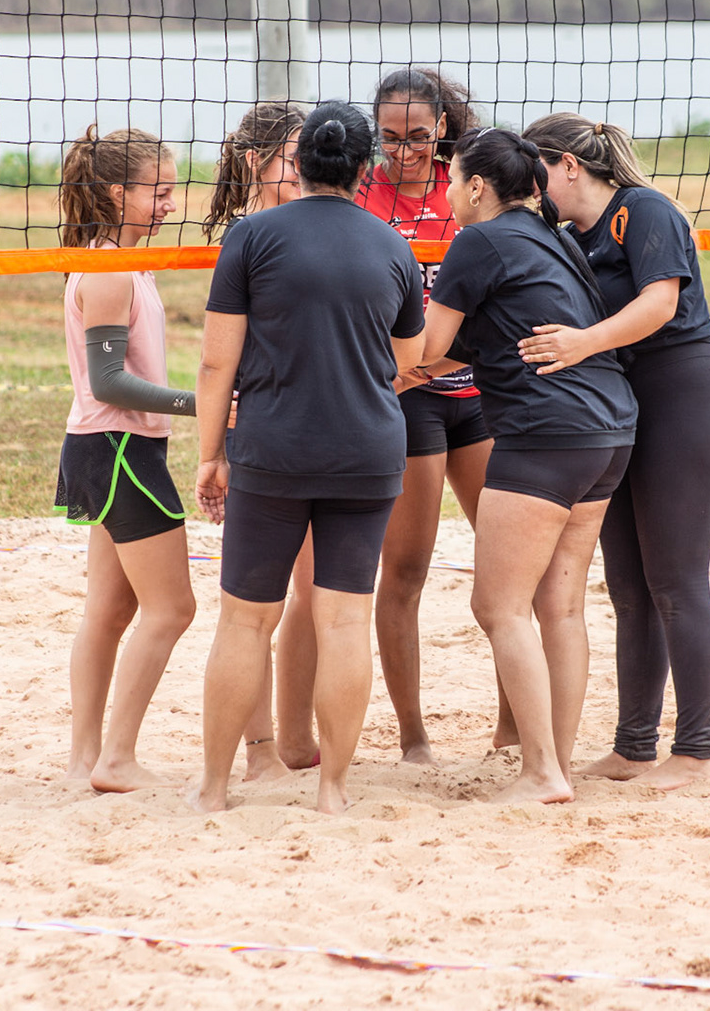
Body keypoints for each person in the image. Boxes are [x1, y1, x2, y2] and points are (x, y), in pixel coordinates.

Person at [188, 101, 425, 815]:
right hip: (367, 452)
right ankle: (333, 791)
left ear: (301, 162)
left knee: (244, 622)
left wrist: (210, 454)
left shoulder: (251, 237)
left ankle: (214, 789)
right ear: (364, 167)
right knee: (344, 621)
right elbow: (407, 359)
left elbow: (215, 363)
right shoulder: (394, 246)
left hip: (273, 448)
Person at [418, 126, 638, 804]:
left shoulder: (477, 240)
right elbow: (479, 345)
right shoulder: (552, 236)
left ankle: (540, 773)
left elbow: (425, 348)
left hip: (547, 434)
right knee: (559, 606)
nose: (447, 191)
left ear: (477, 187)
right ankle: (555, 768)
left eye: (451, 179)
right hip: (610, 429)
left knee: (499, 606)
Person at [518, 113, 710, 791]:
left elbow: (660, 304)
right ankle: (634, 746)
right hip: (615, 412)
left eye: (536, 171)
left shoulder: (642, 211)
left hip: (680, 399)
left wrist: (582, 343)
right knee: (630, 587)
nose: (530, 187)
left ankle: (695, 751)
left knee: (676, 580)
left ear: (568, 164)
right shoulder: (563, 235)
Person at [358, 67, 496, 764]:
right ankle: (413, 738)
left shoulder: (469, 187)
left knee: (506, 569)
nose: (403, 151)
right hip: (405, 400)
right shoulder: (363, 194)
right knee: (405, 572)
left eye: (416, 136)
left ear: (442, 126)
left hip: (476, 395)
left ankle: (511, 729)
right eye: (389, 137)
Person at [54, 126, 198, 793]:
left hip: (107, 446)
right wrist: (203, 404)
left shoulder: (122, 261)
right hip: (117, 448)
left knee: (109, 614)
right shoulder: (109, 267)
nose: (169, 204)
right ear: (118, 193)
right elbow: (109, 383)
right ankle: (114, 759)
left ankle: (86, 760)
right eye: (158, 192)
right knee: (172, 610)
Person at [204, 101, 322, 780]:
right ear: (257, 162)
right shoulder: (246, 237)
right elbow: (221, 359)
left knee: (313, 596)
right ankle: (259, 751)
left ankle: (296, 737)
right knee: (254, 609)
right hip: (261, 432)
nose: (303, 170)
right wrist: (215, 448)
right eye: (292, 159)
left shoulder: (315, 221)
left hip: (315, 430)